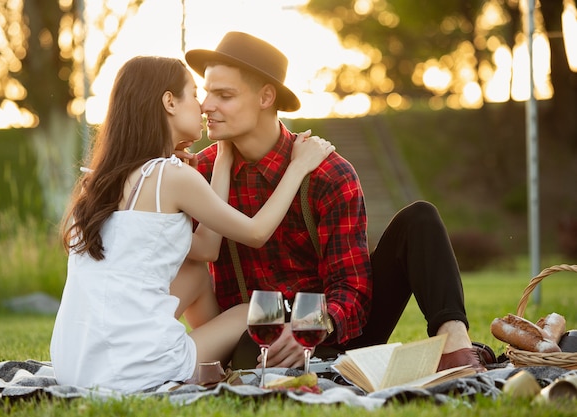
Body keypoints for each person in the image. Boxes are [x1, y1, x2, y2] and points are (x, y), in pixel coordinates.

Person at [182, 31, 488, 372]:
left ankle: (456, 347)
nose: (207, 105)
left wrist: (307, 330)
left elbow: (353, 289)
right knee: (249, 352)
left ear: (266, 97)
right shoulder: (201, 173)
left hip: (337, 331)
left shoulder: (328, 174)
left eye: (223, 95)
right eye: (206, 92)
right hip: (256, 332)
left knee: (420, 219)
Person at [49, 55, 335, 393]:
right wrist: (298, 167)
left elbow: (205, 250)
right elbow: (256, 233)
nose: (202, 106)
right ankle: (220, 363)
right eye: (193, 93)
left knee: (195, 272)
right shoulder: (171, 176)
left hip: (74, 365)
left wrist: (222, 162)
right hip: (131, 370)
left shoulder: (98, 182)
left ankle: (212, 355)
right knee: (249, 309)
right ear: (169, 102)